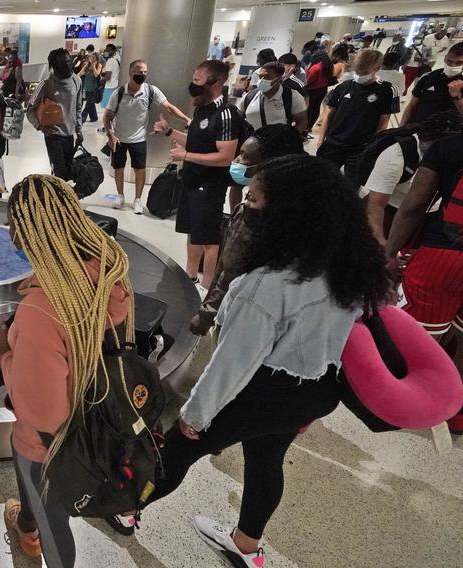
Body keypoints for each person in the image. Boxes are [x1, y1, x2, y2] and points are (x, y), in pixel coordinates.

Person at [153, 155, 392, 568]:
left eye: (256, 202)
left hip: (259, 392)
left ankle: (121, 505)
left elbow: (233, 364)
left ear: (288, 214)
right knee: (266, 460)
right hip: (313, 390)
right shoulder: (347, 265)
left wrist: (195, 415)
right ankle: (246, 547)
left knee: (174, 455)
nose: (246, 209)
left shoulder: (265, 285)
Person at [0, 174, 133, 567]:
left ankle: (37, 538)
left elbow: (43, 415)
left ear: (27, 230)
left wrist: (6, 352)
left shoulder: (41, 310)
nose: (9, 233)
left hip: (52, 445)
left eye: (11, 223)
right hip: (99, 419)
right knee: (36, 502)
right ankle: (24, 520)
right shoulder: (107, 274)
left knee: (52, 518)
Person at [191, 124, 307, 336]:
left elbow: (231, 269)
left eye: (244, 157)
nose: (236, 161)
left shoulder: (254, 214)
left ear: (269, 164)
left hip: (239, 316)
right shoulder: (302, 207)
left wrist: (206, 314)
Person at [384, 133, 463, 434]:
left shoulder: (449, 146)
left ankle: (405, 403)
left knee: (416, 335)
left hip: (443, 256)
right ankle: (457, 410)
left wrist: (390, 253)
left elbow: (414, 205)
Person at [155, 59, 246, 292]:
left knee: (208, 238)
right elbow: (196, 143)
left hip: (210, 185)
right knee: (192, 232)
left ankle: (206, 287)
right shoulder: (201, 109)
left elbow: (225, 156)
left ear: (214, 82)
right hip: (192, 180)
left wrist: (186, 156)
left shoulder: (226, 114)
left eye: (197, 80)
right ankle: (190, 276)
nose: (193, 85)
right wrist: (169, 132)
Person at [363, 110, 463, 245]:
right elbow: (375, 204)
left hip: (430, 215)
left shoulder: (453, 155)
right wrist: (380, 240)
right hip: (391, 212)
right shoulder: (397, 156)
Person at [104, 59, 191, 214]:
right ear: (130, 73)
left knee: (140, 170)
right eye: (139, 72)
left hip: (139, 139)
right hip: (119, 138)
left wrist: (186, 119)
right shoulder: (118, 93)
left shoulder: (150, 91)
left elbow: (169, 107)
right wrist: (110, 135)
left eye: (145, 72)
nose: (142, 75)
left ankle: (137, 200)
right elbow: (107, 116)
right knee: (119, 168)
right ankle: (120, 196)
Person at [318, 49, 399, 182]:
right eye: (357, 71)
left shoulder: (388, 90)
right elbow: (328, 115)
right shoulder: (343, 87)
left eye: (365, 72)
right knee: (323, 180)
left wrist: (372, 148)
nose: (359, 75)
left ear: (377, 68)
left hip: (360, 148)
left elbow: (383, 123)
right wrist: (321, 140)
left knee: (351, 185)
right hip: (333, 144)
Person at [27, 48, 83, 182]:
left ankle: (62, 197)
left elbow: (78, 108)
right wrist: (40, 127)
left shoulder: (77, 81)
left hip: (69, 134)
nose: (68, 65)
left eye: (69, 62)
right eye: (63, 63)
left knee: (68, 172)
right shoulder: (47, 83)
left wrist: (79, 131)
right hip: (54, 136)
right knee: (60, 173)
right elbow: (30, 109)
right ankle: (57, 199)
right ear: (55, 65)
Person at [400, 42, 463, 125]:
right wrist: (401, 128)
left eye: (459, 63)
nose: (452, 65)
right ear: (445, 58)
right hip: (418, 128)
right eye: (449, 61)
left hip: (446, 134)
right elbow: (412, 105)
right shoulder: (429, 76)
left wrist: (457, 96)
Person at [238, 62, 308, 132]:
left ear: (278, 78)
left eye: (266, 77)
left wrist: (289, 138)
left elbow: (301, 122)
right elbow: (237, 119)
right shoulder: (249, 96)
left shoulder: (291, 97)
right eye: (260, 77)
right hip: (252, 141)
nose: (261, 80)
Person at [305, 51, 335, 133]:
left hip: (312, 90)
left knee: (309, 109)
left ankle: (305, 126)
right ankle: (310, 126)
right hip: (323, 90)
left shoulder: (316, 67)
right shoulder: (329, 66)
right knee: (316, 109)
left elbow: (309, 80)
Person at [79, 53, 104, 124]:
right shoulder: (86, 65)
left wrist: (93, 66)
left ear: (96, 58)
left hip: (94, 88)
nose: (91, 59)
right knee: (91, 103)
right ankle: (94, 117)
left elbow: (96, 75)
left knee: (88, 104)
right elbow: (80, 74)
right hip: (87, 87)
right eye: (90, 57)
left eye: (93, 58)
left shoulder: (99, 65)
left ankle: (82, 118)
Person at [100, 44, 122, 109]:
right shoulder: (118, 58)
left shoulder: (110, 61)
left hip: (109, 86)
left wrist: (102, 79)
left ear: (113, 51)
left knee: (107, 108)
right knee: (114, 106)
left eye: (109, 50)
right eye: (106, 50)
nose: (106, 52)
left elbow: (108, 77)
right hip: (116, 85)